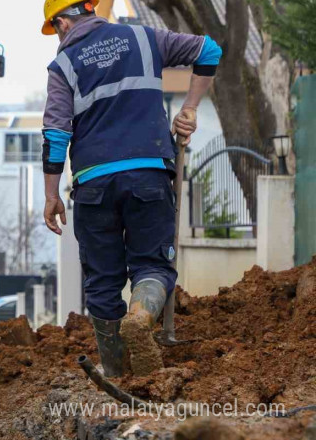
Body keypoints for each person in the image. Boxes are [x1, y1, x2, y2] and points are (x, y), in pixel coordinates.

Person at [39, 0, 222, 376]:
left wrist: (51, 195)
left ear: (61, 22)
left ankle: (118, 373)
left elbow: (56, 135)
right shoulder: (143, 36)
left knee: (103, 282)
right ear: (89, 9)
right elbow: (209, 49)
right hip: (148, 173)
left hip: (93, 184)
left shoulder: (63, 65)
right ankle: (141, 315)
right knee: (152, 266)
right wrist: (189, 108)